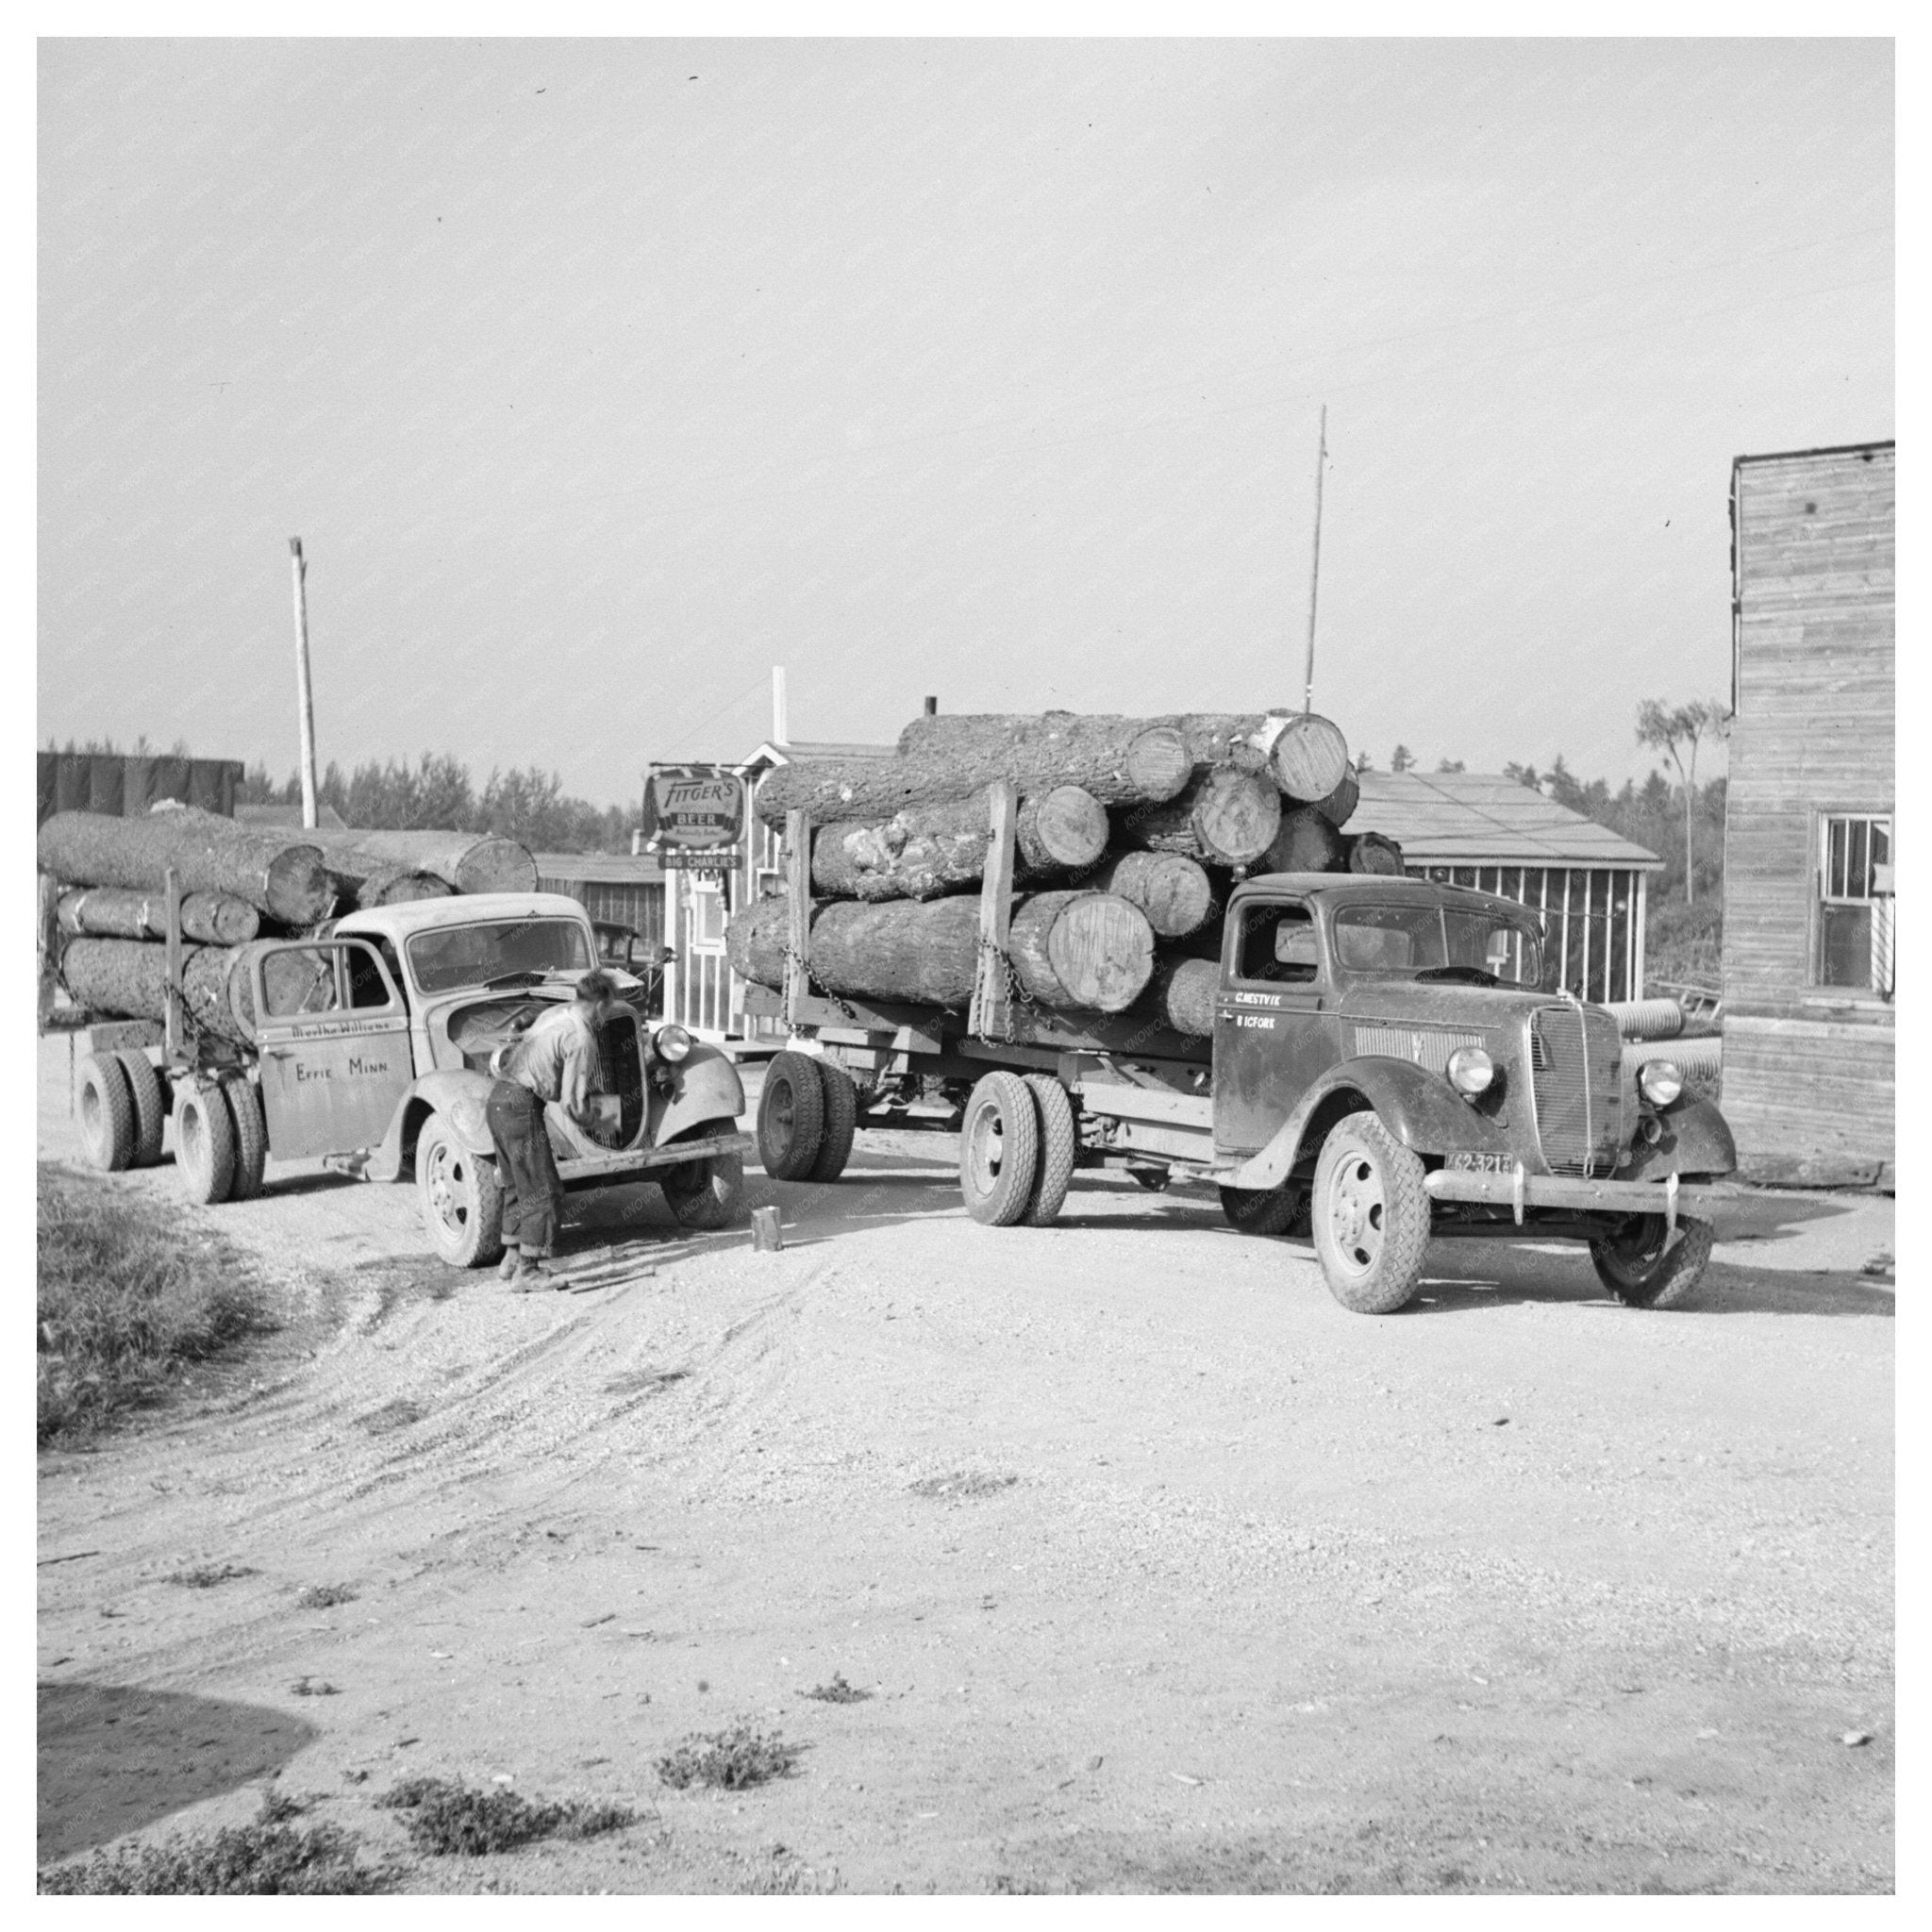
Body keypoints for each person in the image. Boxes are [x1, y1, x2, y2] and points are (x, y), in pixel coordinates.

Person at [486, 969, 624, 1291]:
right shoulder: (581, 1037)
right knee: (543, 1190)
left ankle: (511, 1258)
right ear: (602, 1005)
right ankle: (529, 1272)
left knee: (516, 1185)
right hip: (521, 1105)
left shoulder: (554, 1013)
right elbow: (572, 1106)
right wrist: (604, 1119)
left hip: (497, 1099)